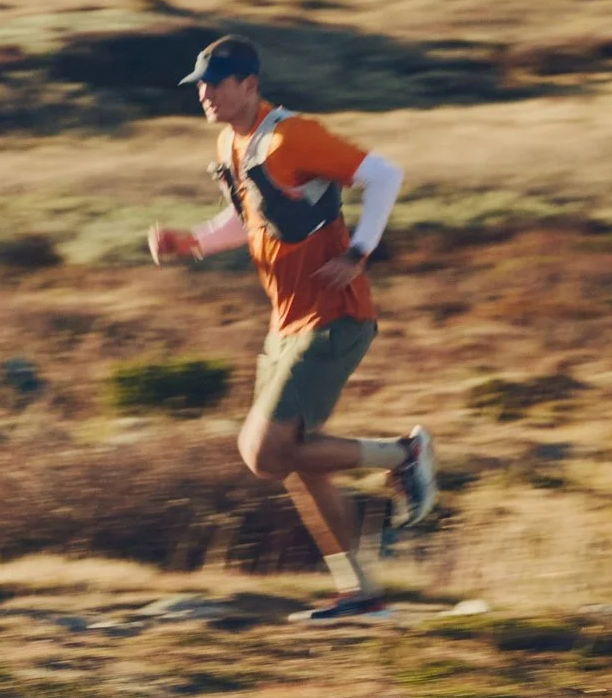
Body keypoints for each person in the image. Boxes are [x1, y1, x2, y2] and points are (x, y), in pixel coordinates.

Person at [146, 36, 438, 622]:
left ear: (248, 84)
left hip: (333, 317)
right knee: (296, 461)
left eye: (213, 83)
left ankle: (402, 454)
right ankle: (360, 594)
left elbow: (385, 175)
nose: (202, 94)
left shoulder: (293, 135)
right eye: (199, 85)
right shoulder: (233, 141)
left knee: (263, 452)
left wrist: (359, 251)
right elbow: (250, 214)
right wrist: (195, 242)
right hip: (285, 323)